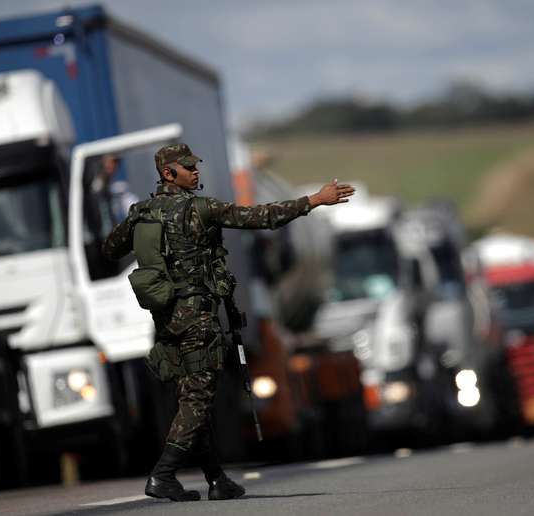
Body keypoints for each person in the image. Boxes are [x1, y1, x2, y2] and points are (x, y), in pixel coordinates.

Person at [102, 143, 354, 501]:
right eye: (187, 167)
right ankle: (163, 474)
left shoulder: (140, 213)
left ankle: (217, 479)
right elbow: (262, 217)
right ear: (168, 173)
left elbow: (110, 250)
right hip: (197, 319)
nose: (195, 171)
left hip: (166, 320)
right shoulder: (202, 209)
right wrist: (314, 200)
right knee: (198, 399)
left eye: (195, 166)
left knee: (192, 396)